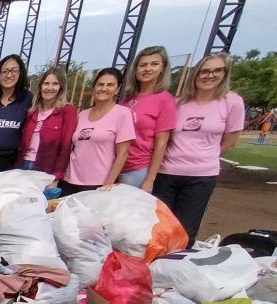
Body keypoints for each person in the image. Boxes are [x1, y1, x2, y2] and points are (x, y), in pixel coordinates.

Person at [155, 52, 244, 246]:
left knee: (185, 230)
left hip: (201, 176)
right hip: (167, 172)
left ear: (225, 73)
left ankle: (178, 270)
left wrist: (206, 157)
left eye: (217, 71)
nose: (209, 76)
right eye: (204, 71)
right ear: (195, 74)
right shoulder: (179, 103)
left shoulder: (232, 101)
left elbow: (231, 140)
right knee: (160, 228)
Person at [63, 68, 135, 196]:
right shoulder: (82, 115)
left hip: (97, 182)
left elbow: (123, 153)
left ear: (117, 90)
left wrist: (109, 182)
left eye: (110, 85)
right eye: (100, 84)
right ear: (94, 88)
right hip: (71, 178)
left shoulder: (122, 114)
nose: (104, 88)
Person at [120, 46, 177, 190]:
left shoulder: (165, 100)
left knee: (129, 210)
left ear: (162, 68)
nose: (147, 69)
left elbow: (161, 143)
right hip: (117, 164)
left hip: (138, 168)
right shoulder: (126, 100)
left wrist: (150, 179)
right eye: (143, 65)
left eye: (154, 64)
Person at [16, 67, 78, 184]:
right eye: (46, 83)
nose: (49, 88)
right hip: (24, 164)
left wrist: (57, 175)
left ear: (61, 88)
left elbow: (65, 146)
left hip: (46, 170)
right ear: (40, 87)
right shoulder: (32, 112)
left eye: (55, 84)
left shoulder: (68, 111)